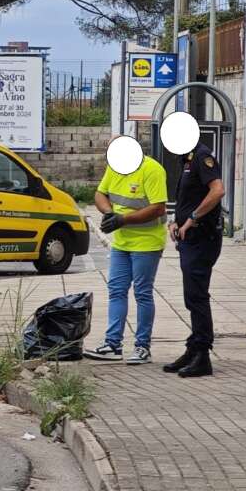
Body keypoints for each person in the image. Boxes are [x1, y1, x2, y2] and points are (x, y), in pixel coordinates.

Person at [85, 137, 170, 365]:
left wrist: (123, 219)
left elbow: (158, 207)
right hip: (122, 242)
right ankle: (112, 345)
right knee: (116, 290)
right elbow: (100, 194)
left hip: (147, 242)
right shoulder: (116, 168)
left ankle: (142, 347)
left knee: (142, 292)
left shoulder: (152, 170)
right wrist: (109, 214)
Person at [163, 141, 225, 377]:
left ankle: (202, 354)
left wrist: (192, 219)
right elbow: (187, 198)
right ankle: (193, 347)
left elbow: (217, 190)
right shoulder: (188, 158)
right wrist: (175, 221)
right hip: (190, 239)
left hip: (203, 238)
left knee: (197, 295)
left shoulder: (202, 156)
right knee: (192, 294)